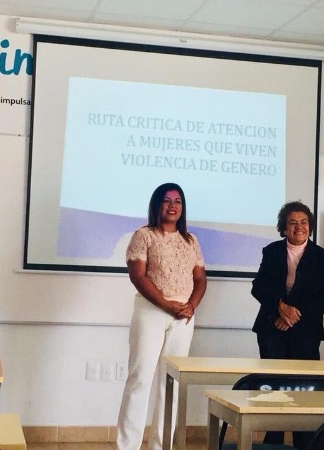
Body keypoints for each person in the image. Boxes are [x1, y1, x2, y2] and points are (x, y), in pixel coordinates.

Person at [116, 182, 207, 450]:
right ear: (157, 204)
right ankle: (127, 446)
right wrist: (166, 304)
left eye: (178, 201)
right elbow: (138, 276)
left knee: (172, 384)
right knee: (140, 379)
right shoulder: (144, 235)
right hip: (151, 311)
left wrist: (191, 306)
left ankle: (161, 445)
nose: (172, 206)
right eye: (167, 200)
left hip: (183, 318)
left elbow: (200, 279)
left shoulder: (191, 241)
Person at [251, 201, 324, 450]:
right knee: (274, 389)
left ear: (310, 226)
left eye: (304, 222)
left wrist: (294, 315)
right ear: (283, 227)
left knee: (304, 390)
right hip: (271, 328)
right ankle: (273, 443)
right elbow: (259, 287)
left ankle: (303, 443)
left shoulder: (322, 257)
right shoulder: (272, 251)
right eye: (293, 222)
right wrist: (279, 308)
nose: (299, 227)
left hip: (306, 332)